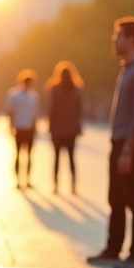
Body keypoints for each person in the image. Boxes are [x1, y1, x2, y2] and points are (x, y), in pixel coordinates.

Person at [88, 17, 134, 268]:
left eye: (118, 36)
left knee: (133, 199)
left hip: (129, 145)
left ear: (131, 40)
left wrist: (128, 149)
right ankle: (113, 248)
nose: (113, 41)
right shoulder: (127, 69)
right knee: (115, 198)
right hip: (118, 143)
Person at [46, 61, 86, 194]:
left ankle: (56, 185)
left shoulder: (54, 89)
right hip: (71, 130)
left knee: (56, 158)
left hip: (57, 129)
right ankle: (73, 185)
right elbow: (80, 110)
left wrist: (50, 126)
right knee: (71, 157)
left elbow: (51, 110)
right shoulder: (76, 90)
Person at [5, 69, 40, 188]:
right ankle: (17, 179)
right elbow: (10, 111)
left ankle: (27, 178)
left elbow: (35, 113)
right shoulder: (14, 95)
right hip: (19, 127)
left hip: (29, 128)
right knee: (18, 154)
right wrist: (11, 125)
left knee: (29, 155)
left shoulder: (34, 96)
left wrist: (35, 127)